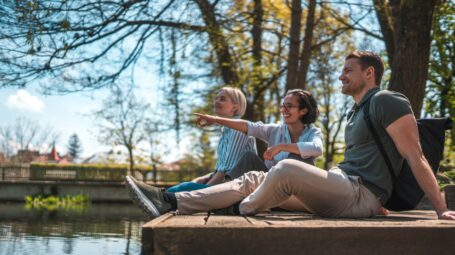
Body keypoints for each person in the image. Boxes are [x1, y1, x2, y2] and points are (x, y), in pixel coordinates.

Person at [126, 50, 455, 220]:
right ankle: (169, 201)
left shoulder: (386, 100)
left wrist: (440, 209)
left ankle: (239, 209)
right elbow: (253, 128)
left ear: (369, 74)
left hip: (360, 195)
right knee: (256, 175)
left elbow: (416, 156)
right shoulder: (356, 110)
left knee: (284, 168)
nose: (341, 76)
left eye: (347, 71)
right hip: (342, 187)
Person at [194, 89, 323, 180]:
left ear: (303, 111)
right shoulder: (275, 130)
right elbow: (248, 126)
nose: (284, 110)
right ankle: (226, 189)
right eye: (283, 106)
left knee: (297, 157)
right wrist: (215, 119)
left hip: (296, 188)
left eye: (289, 106)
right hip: (270, 184)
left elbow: (316, 148)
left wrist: (281, 146)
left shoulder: (313, 132)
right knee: (249, 157)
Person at [166, 87, 257, 192]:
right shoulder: (226, 130)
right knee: (185, 186)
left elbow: (227, 169)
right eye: (216, 98)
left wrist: (205, 190)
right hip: (226, 181)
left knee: (184, 188)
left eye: (222, 99)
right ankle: (158, 196)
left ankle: (160, 198)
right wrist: (202, 180)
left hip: (238, 186)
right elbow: (221, 168)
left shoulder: (238, 130)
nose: (217, 101)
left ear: (234, 108)